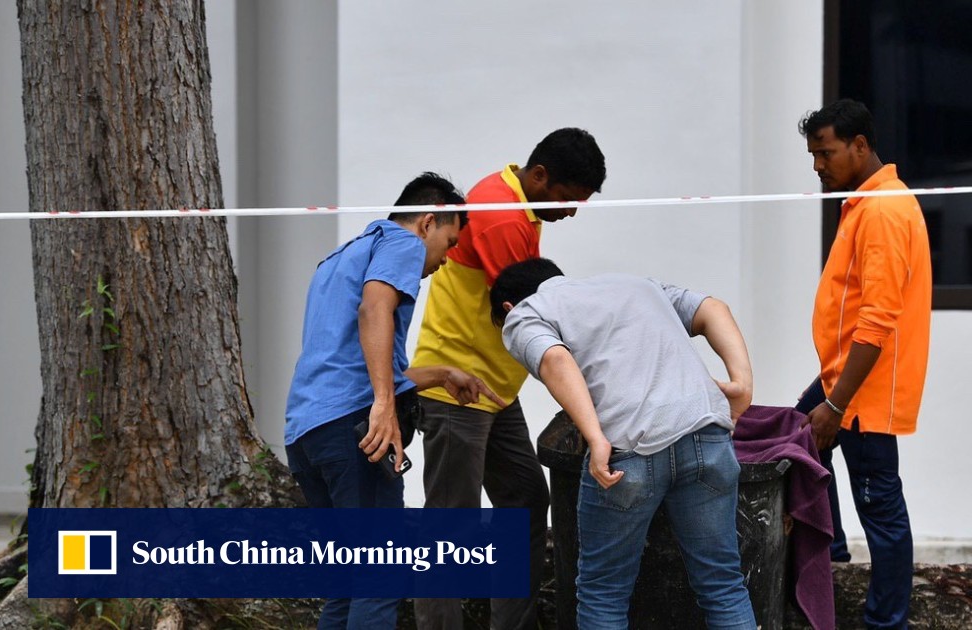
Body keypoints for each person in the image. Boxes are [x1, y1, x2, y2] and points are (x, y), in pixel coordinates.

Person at [284, 172, 503, 630]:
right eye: (450, 240)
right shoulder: (402, 244)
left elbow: (355, 356)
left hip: (307, 434)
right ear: (427, 222)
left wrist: (442, 374)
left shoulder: (339, 259)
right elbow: (374, 311)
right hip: (354, 432)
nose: (448, 257)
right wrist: (384, 405)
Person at [492, 258, 758, 630]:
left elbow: (554, 359)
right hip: (707, 434)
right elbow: (713, 308)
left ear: (507, 307)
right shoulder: (638, 285)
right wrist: (742, 382)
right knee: (723, 585)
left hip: (631, 451)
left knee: (604, 594)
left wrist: (596, 438)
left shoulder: (525, 313)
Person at [411, 128, 606, 630]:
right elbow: (532, 312)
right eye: (567, 199)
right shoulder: (501, 216)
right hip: (456, 388)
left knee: (523, 500)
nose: (571, 212)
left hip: (495, 391)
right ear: (538, 176)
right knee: (449, 526)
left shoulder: (513, 200)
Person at [798, 99, 932, 630]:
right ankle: (830, 552)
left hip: (864, 390)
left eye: (825, 153)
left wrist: (835, 403)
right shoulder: (864, 201)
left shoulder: (882, 210)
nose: (817, 166)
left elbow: (876, 322)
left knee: (881, 509)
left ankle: (886, 622)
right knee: (798, 438)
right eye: (812, 155)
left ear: (859, 146)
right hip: (843, 374)